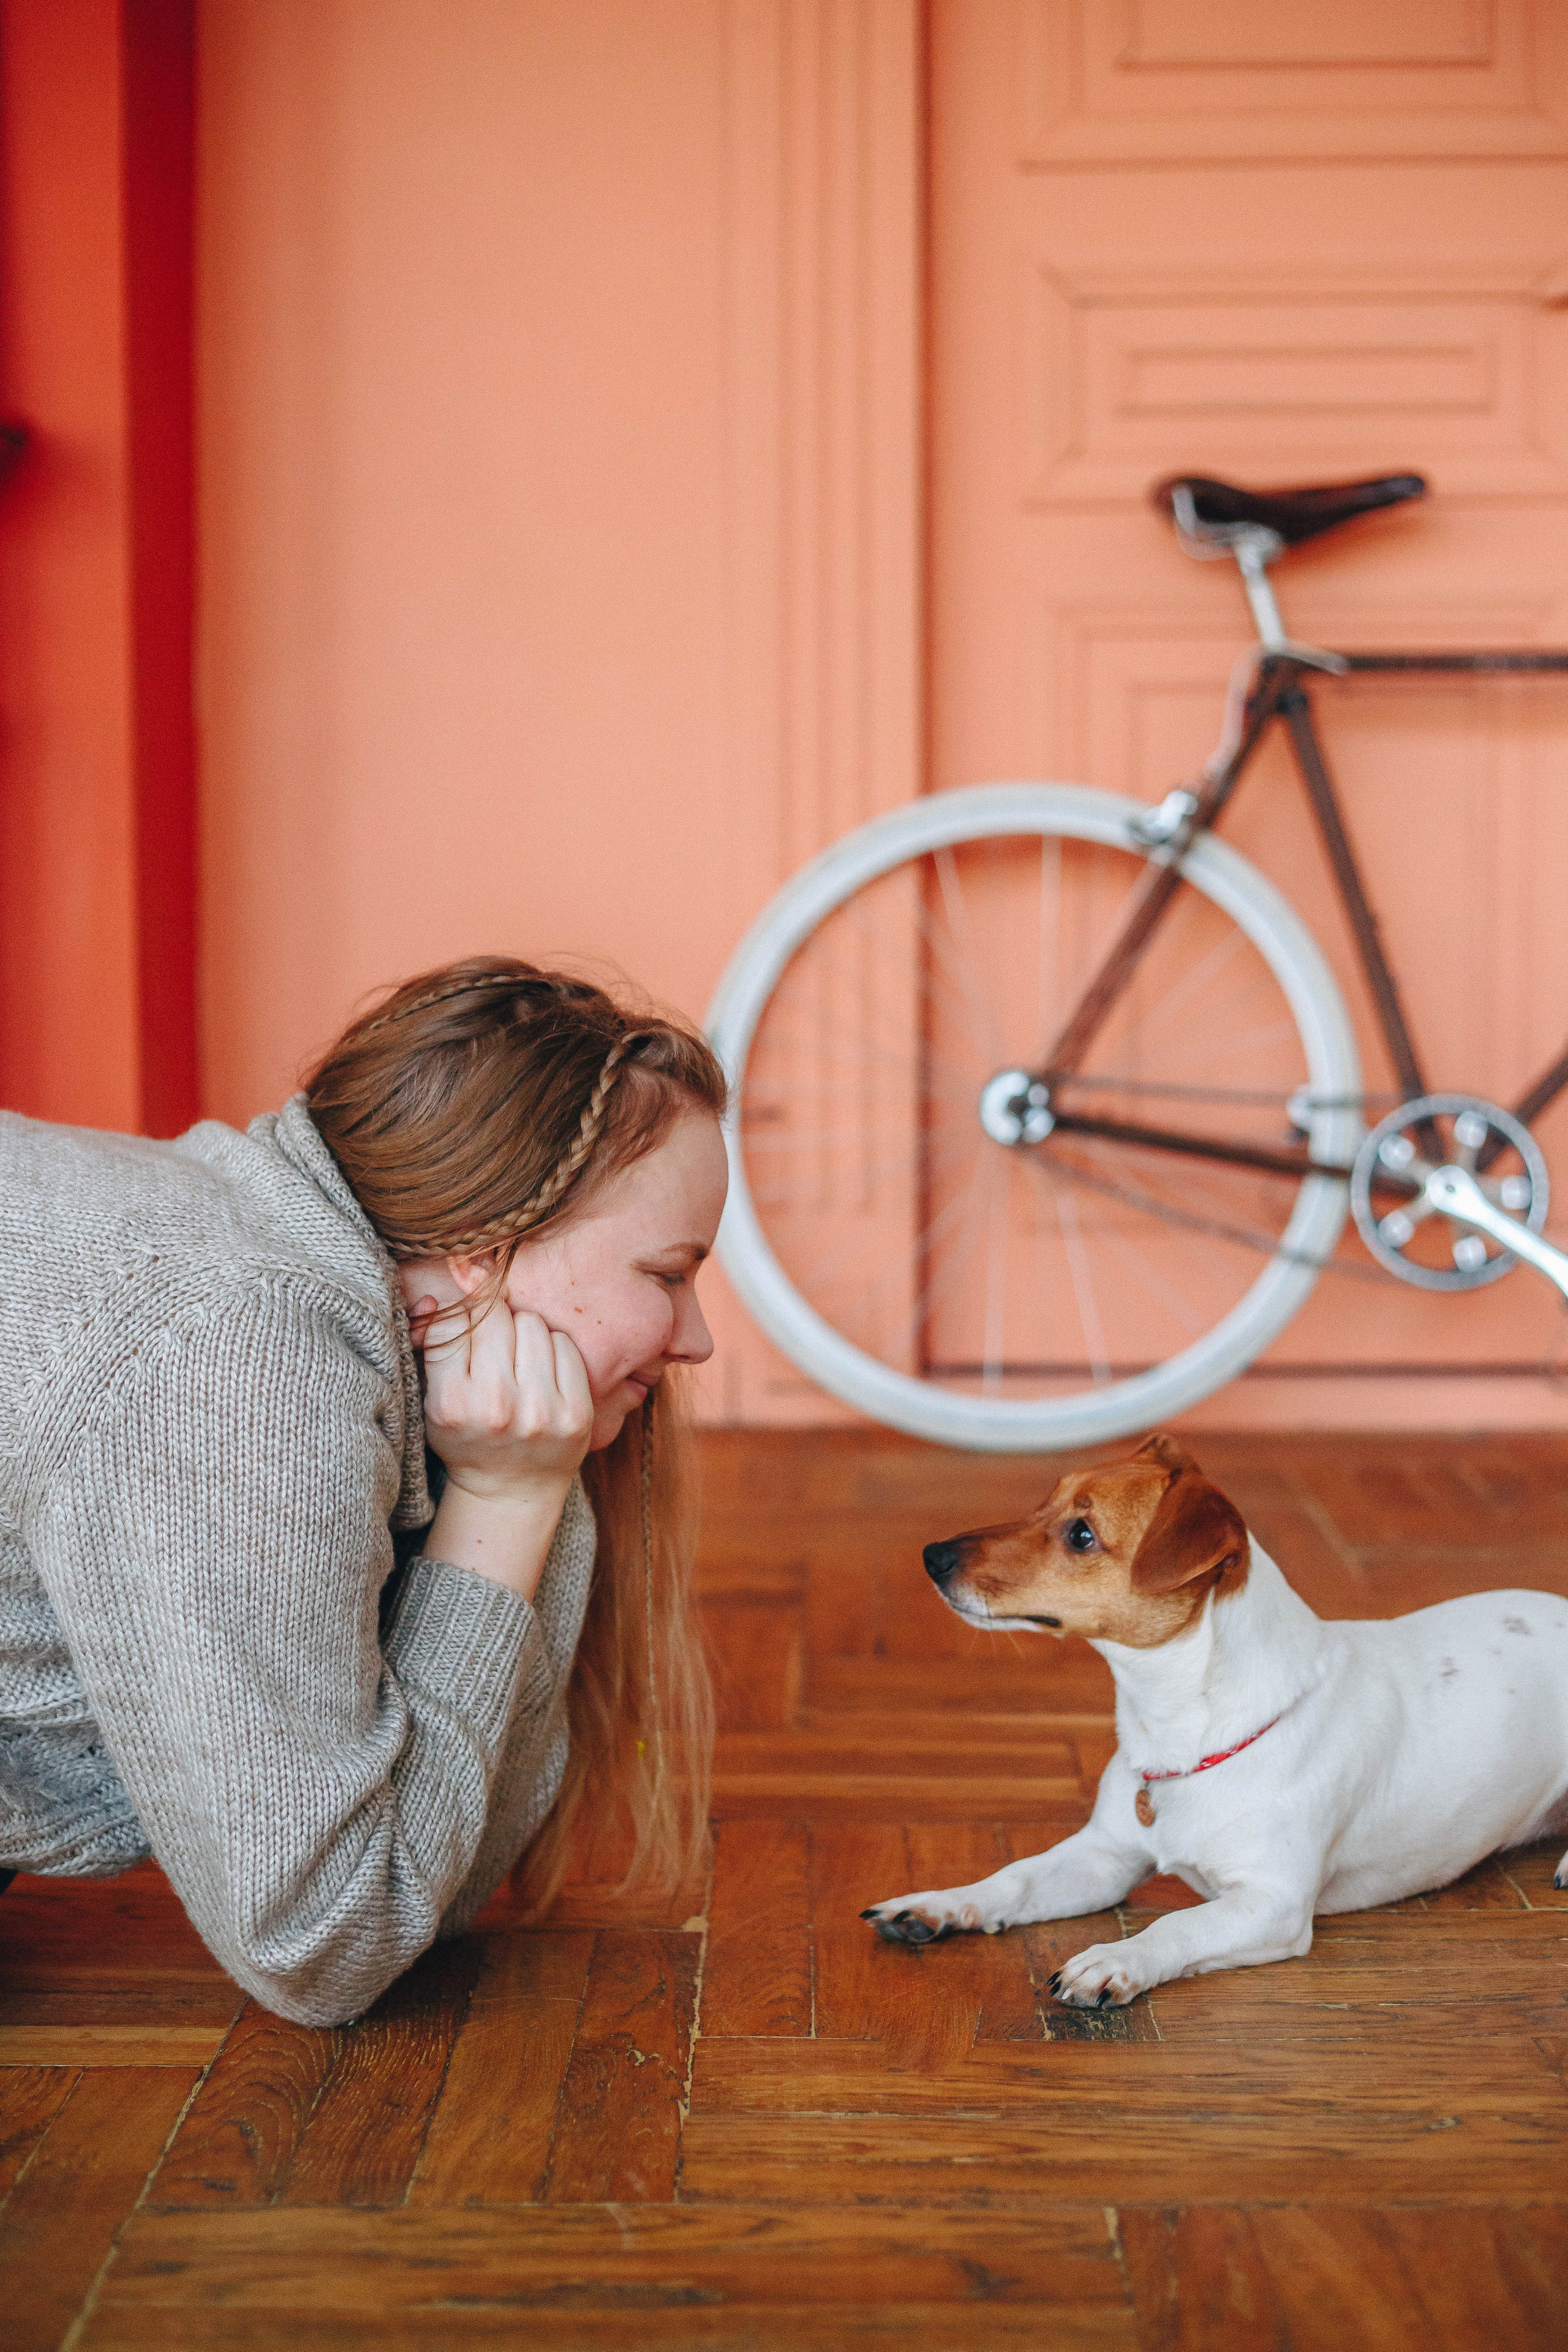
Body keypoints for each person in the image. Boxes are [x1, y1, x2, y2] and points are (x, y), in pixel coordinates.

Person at [0, 957, 728, 2024]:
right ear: (485, 1250)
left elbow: (436, 1878)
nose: (700, 1340)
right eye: (667, 1275)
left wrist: (531, 1472)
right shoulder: (239, 1356)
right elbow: (336, 1940)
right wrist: (509, 1500)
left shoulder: (280, 1270)